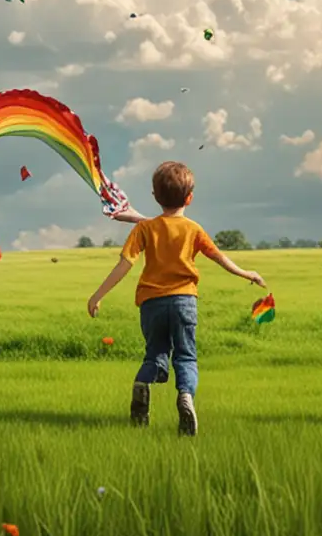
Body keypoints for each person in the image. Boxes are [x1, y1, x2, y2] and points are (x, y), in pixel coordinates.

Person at [87, 160, 263, 437]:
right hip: (184, 301)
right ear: (189, 198)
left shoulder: (144, 229)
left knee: (156, 354)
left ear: (155, 196)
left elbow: (125, 263)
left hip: (151, 303)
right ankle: (185, 397)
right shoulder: (194, 229)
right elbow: (220, 258)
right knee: (185, 357)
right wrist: (247, 273)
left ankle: (143, 385)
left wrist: (98, 295)